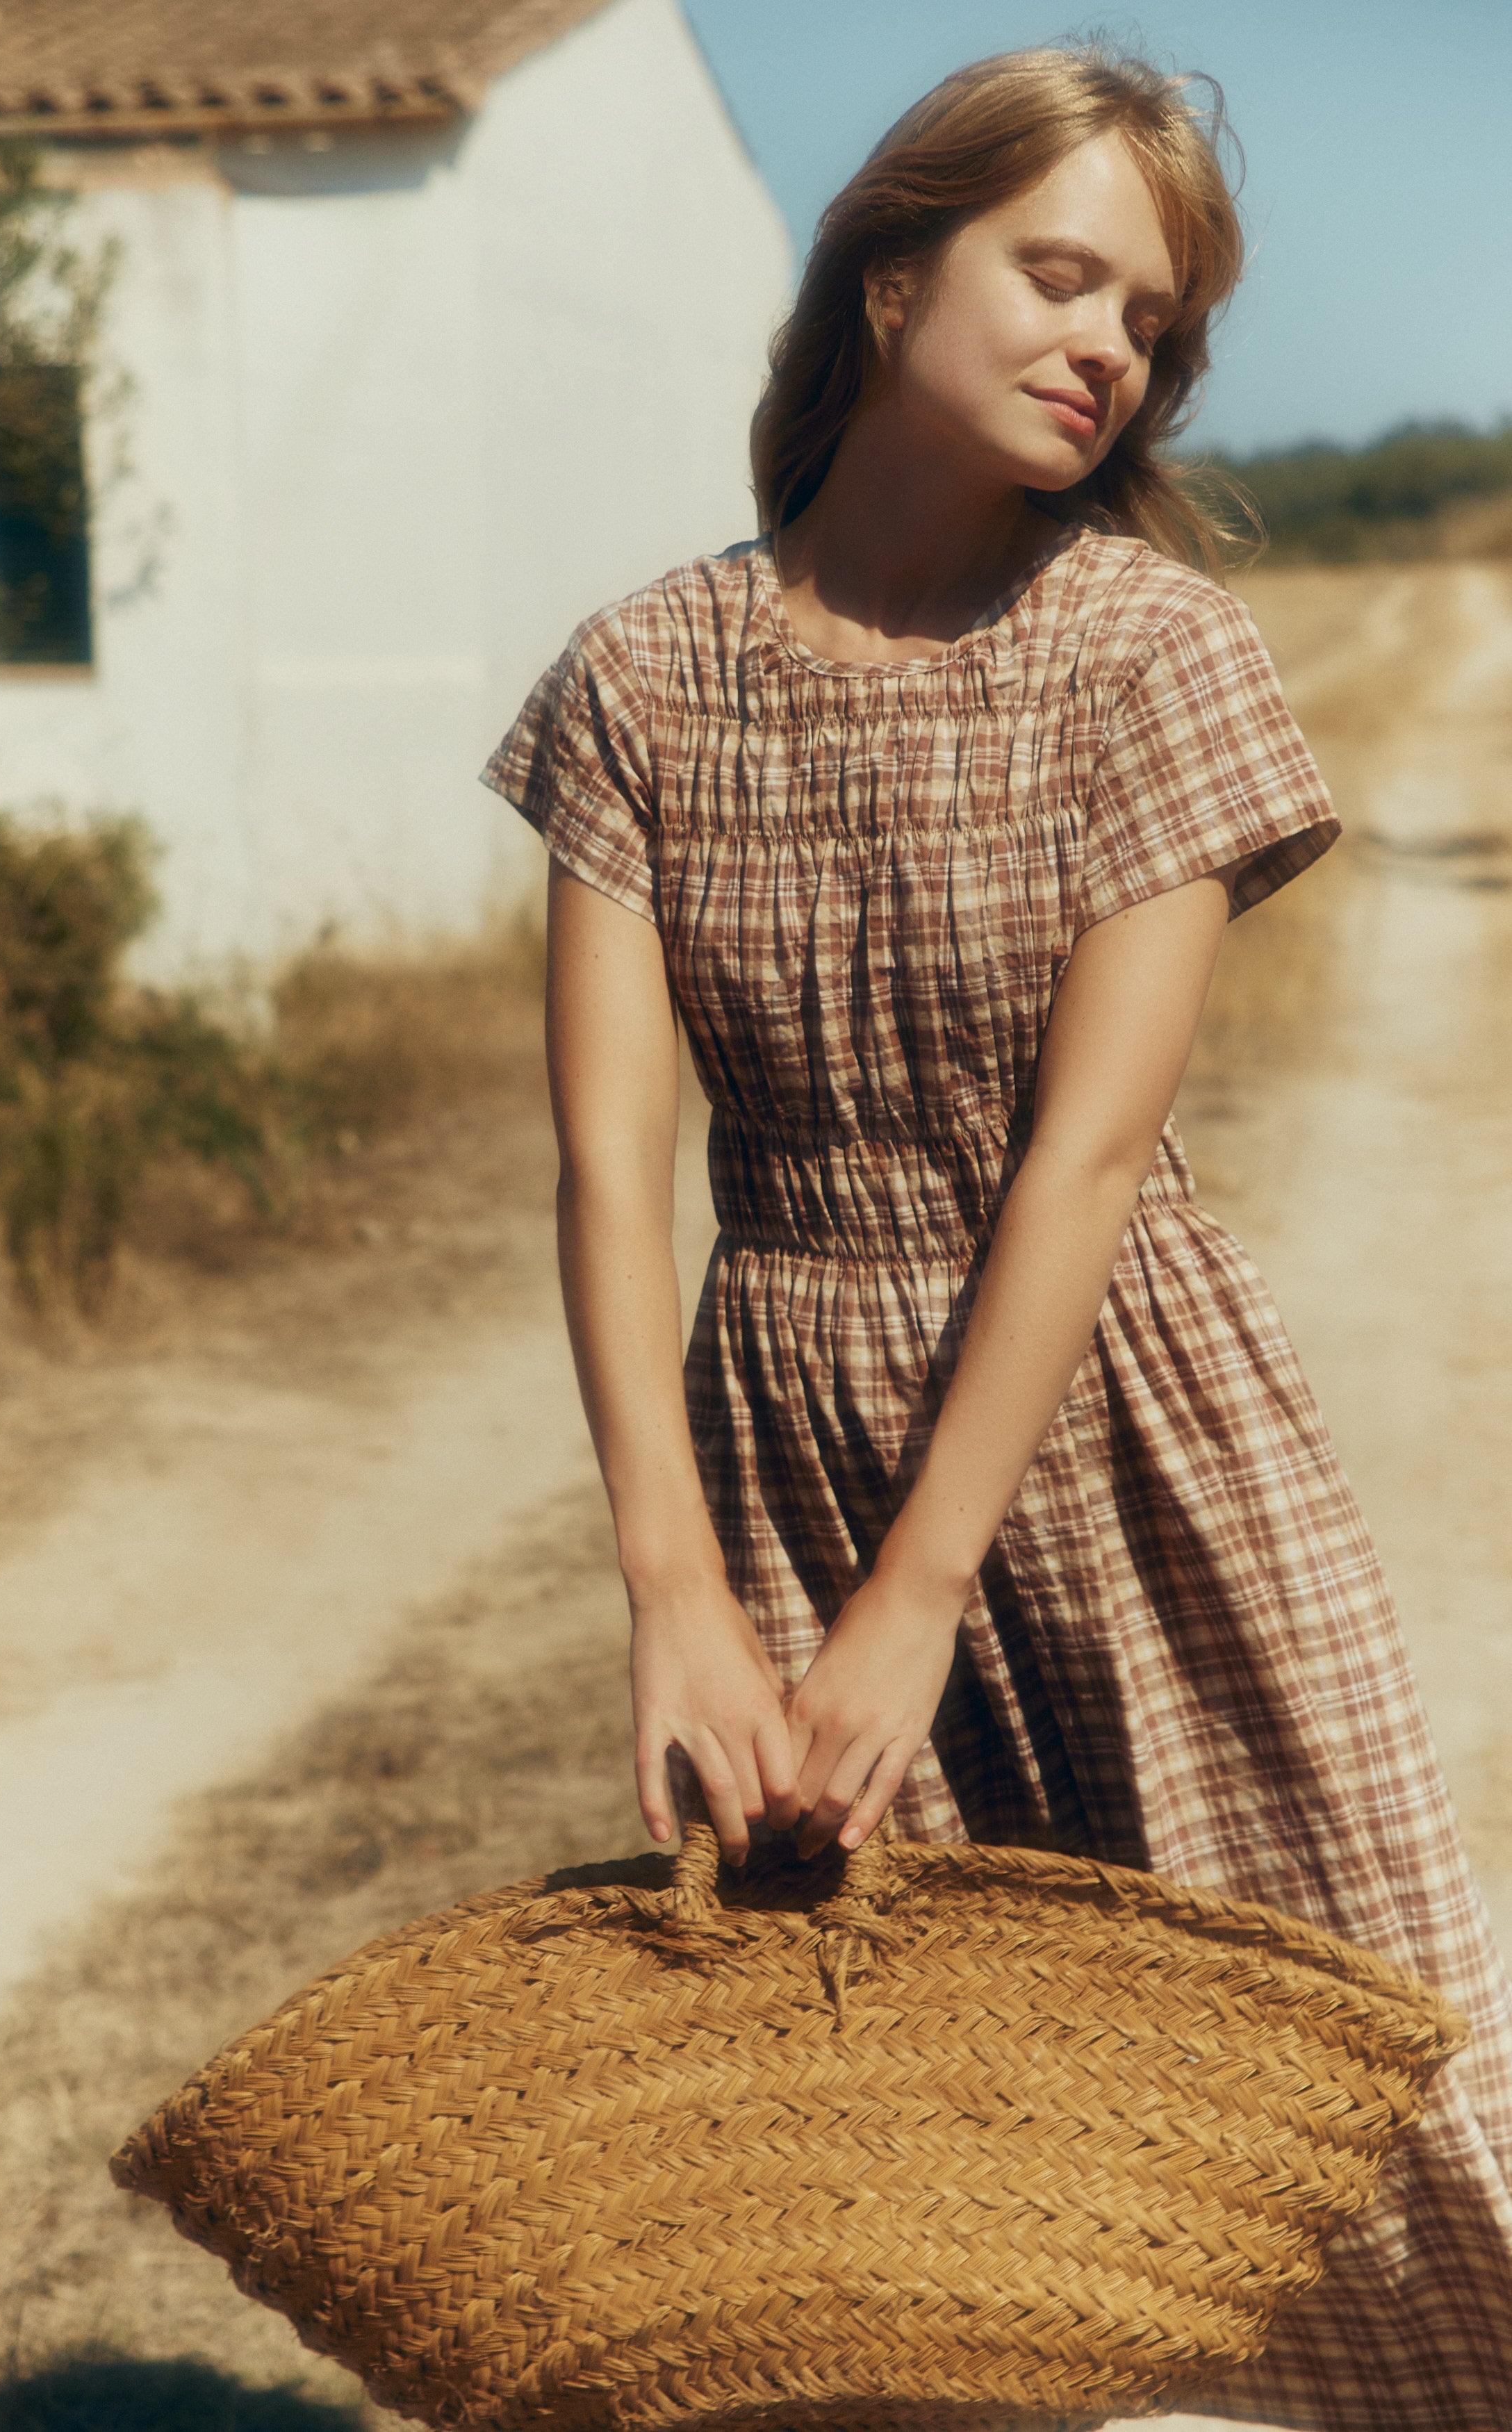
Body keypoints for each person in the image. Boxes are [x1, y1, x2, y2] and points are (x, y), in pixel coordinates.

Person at [482, 45, 1512, 2431]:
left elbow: (1085, 1163)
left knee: (1327, 2081)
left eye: (1147, 318)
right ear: (890, 269)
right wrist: (675, 1585)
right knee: (889, 2165)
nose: (1105, 346)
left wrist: (920, 1593)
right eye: (1058, 273)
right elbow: (606, 1166)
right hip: (785, 1431)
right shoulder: (640, 678)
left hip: (1126, 1425)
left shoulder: (1155, 653)